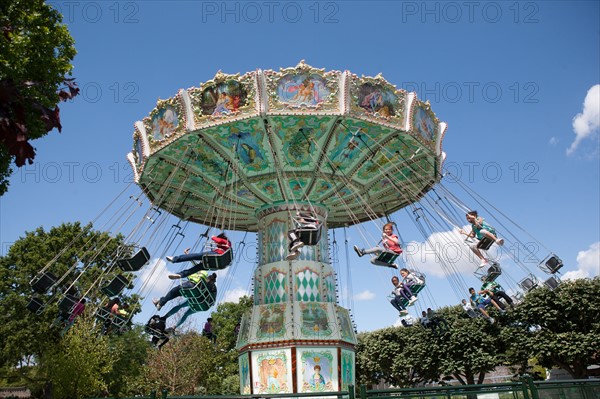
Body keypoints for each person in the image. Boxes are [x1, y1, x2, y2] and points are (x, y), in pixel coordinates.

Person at [166, 233, 231, 279]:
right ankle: (181, 275)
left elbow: (218, 240)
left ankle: (175, 259)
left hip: (216, 255)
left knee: (195, 256)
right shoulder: (227, 248)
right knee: (197, 268)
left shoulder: (225, 242)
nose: (216, 244)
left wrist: (213, 237)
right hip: (214, 263)